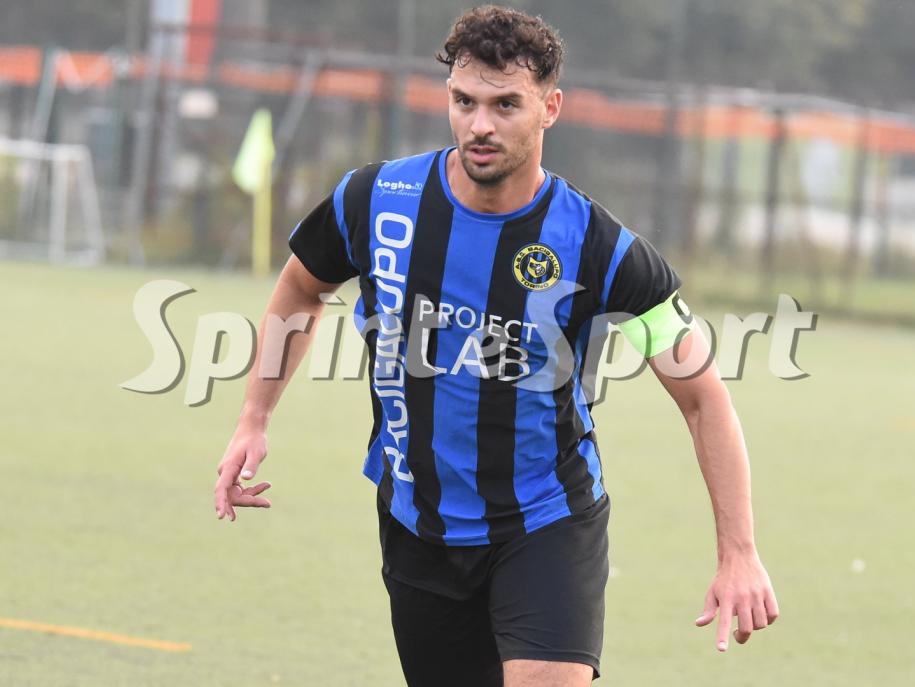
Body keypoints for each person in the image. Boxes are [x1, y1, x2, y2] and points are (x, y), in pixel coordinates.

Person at [214, 5, 779, 686]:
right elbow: (303, 287)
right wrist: (253, 417)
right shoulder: (376, 199)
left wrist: (739, 551)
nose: (480, 124)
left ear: (550, 108)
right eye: (465, 101)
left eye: (506, 104)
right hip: (417, 521)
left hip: (547, 521)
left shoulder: (600, 248)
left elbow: (702, 397)